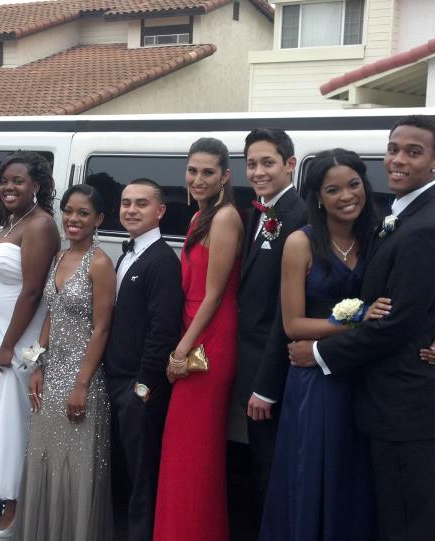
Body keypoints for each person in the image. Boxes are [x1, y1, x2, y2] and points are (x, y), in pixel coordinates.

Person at [261, 149, 435, 540]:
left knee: (361, 480)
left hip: (367, 377)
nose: (346, 195)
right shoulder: (301, 243)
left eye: (353, 184)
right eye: (332, 189)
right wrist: (353, 320)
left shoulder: (380, 232)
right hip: (318, 379)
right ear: (317, 196)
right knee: (318, 473)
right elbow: (292, 323)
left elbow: (410, 298)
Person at [12, 184, 117, 541]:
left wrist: (81, 384)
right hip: (52, 370)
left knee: (76, 464)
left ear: (98, 219)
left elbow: (102, 330)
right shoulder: (58, 257)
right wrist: (37, 365)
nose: (73, 219)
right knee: (45, 457)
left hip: (81, 377)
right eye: (69, 211)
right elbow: (51, 315)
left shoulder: (100, 263)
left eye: (83, 213)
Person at [154, 139, 243, 541]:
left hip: (210, 339)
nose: (198, 179)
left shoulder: (225, 218)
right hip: (194, 332)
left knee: (194, 450)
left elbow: (216, 293)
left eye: (208, 172)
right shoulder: (200, 218)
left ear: (225, 175)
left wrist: (181, 349)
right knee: (184, 451)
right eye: (192, 171)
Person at [0, 152, 61, 540]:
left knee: (21, 419)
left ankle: (19, 507)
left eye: (18, 181)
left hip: (25, 338)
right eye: (4, 181)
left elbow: (31, 291)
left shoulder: (41, 225)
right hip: (8, 331)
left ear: (37, 186)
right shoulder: (12, 221)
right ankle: (13, 500)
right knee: (13, 417)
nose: (9, 187)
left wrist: (9, 345)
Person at [104, 178, 183, 541]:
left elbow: (163, 329)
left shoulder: (163, 261)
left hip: (138, 383)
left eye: (141, 204)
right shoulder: (128, 254)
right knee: (124, 466)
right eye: (125, 203)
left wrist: (144, 384)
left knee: (142, 471)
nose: (131, 210)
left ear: (160, 211)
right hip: (116, 376)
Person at [234, 128, 307, 522]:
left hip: (273, 371)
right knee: (260, 464)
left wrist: (265, 384)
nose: (258, 172)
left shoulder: (298, 216)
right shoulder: (261, 213)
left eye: (268, 162)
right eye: (251, 164)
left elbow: (286, 309)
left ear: (290, 165)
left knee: (274, 468)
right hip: (251, 362)